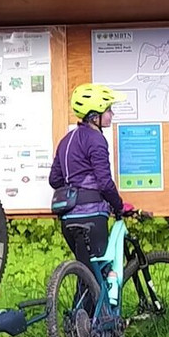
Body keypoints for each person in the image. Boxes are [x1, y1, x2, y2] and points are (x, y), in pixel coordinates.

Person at [49, 83, 132, 277]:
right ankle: (96, 308)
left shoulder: (66, 140)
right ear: (95, 116)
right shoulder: (96, 140)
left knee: (87, 276)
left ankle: (79, 309)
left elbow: (54, 179)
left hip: (68, 219)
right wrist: (119, 206)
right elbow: (104, 183)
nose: (112, 114)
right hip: (92, 217)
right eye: (108, 110)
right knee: (98, 275)